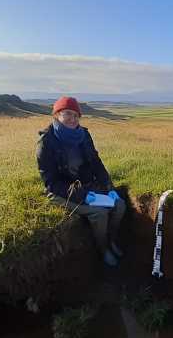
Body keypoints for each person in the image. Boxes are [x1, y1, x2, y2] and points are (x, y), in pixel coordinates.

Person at [36, 96, 126, 267]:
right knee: (99, 213)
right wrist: (83, 196)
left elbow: (96, 162)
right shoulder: (46, 143)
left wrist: (109, 187)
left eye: (76, 115)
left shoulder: (83, 134)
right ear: (56, 115)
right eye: (67, 114)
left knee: (119, 205)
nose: (72, 119)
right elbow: (51, 182)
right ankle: (104, 249)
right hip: (61, 192)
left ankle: (112, 240)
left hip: (88, 185)